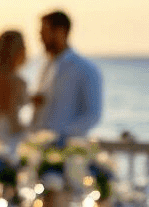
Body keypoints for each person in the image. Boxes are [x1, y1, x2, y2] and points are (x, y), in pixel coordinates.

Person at [30, 10, 103, 138]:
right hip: (38, 147)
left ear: (60, 32)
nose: (40, 38)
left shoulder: (85, 68)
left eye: (44, 32)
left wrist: (62, 136)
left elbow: (92, 115)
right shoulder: (45, 66)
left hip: (67, 150)